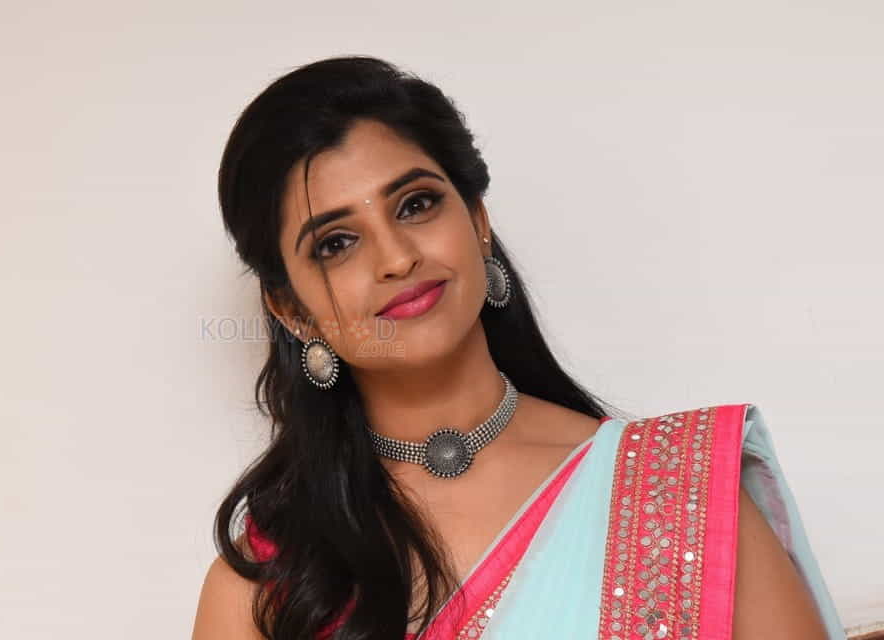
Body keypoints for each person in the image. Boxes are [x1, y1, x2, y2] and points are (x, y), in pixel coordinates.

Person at [191, 56, 846, 640]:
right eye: (336, 243)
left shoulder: (677, 500)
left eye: (416, 204)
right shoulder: (269, 587)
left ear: (477, 220)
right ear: (292, 309)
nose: (396, 257)